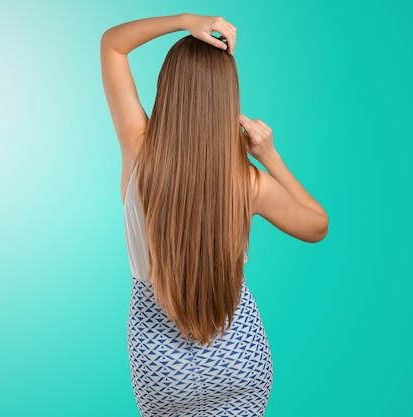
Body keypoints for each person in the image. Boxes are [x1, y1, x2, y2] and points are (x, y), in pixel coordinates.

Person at [100, 13, 329, 417]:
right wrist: (269, 156)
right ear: (228, 99)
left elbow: (113, 45)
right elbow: (316, 225)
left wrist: (185, 20)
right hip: (240, 357)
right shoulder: (248, 183)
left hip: (162, 366)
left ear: (167, 90)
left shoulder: (138, 151)